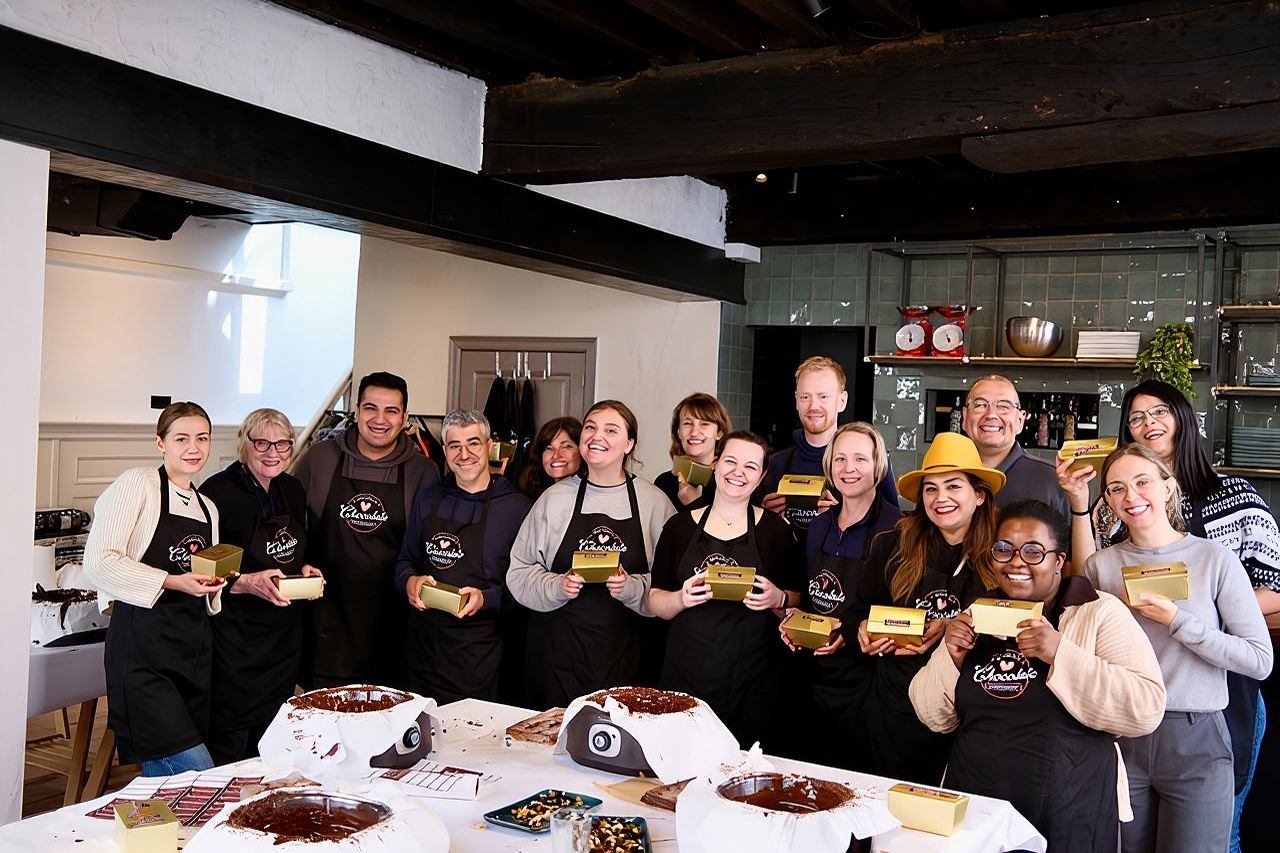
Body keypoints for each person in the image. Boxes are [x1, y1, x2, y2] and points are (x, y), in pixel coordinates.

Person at [1061, 379, 1280, 850]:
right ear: (1108, 500)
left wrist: (1181, 622)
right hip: (1122, 732)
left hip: (1199, 730)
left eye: (1143, 482)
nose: (1131, 495)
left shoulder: (1215, 558)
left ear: (1168, 486)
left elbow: (1259, 658)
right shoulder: (1102, 566)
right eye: (1117, 488)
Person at [910, 500, 1165, 850]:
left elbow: (1146, 708)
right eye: (1004, 549)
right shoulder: (977, 613)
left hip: (1071, 811)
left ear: (1059, 561)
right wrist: (951, 658)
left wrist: (1059, 652)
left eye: (1033, 552)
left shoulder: (1098, 612)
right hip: (977, 812)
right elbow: (932, 716)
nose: (1016, 561)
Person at [850, 432, 1003, 782]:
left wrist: (952, 626)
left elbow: (1016, 625)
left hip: (971, 712)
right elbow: (858, 610)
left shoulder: (1004, 552)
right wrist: (861, 629)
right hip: (896, 710)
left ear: (979, 494)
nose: (940, 498)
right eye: (930, 489)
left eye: (954, 486)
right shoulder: (891, 544)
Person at [84, 402, 225, 775]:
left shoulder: (208, 508)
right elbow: (98, 562)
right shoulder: (138, 484)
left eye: (202, 438)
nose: (193, 448)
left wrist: (214, 585)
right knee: (195, 769)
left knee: (171, 783)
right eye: (181, 439)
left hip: (192, 653)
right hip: (143, 652)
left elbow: (202, 581)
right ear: (160, 443)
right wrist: (172, 580)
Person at [508, 400, 674, 709]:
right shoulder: (554, 499)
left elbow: (672, 583)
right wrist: (557, 586)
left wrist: (632, 588)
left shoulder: (654, 503)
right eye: (590, 427)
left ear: (629, 443)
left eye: (611, 430)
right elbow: (519, 571)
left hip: (630, 657)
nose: (597, 436)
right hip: (558, 658)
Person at [648, 431, 801, 747]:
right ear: (715, 465)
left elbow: (797, 599)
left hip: (754, 683)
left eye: (750, 466)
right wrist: (680, 598)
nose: (738, 472)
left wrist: (778, 598)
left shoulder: (776, 532)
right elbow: (654, 601)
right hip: (687, 675)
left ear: (761, 477)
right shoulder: (679, 528)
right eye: (730, 461)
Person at [293, 371, 439, 688]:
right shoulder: (318, 460)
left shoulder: (423, 472)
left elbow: (427, 551)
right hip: (324, 627)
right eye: (371, 408)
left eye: (391, 411)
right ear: (356, 411)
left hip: (391, 629)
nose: (380, 419)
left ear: (405, 418)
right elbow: (289, 531)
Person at [200, 408, 322, 765]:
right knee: (231, 738)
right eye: (262, 443)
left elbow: (299, 548)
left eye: (282, 443)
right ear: (244, 444)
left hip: (282, 638)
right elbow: (201, 566)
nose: (273, 452)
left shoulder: (292, 489)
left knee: (271, 737)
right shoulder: (217, 493)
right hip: (235, 639)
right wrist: (244, 582)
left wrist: (306, 568)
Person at [778, 422, 901, 769]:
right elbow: (809, 595)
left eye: (860, 459)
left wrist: (847, 630)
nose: (849, 469)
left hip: (867, 683)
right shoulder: (819, 525)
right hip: (814, 678)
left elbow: (901, 613)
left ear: (878, 465)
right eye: (840, 459)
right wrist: (793, 620)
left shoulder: (898, 529)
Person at [395, 410, 531, 705]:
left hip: (481, 656)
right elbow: (404, 562)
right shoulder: (428, 499)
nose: (464, 454)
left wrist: (486, 598)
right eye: (455, 445)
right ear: (444, 450)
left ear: (489, 446)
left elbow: (527, 589)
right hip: (423, 650)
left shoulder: (517, 509)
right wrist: (410, 582)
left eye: (473, 443)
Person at [757, 357, 896, 535]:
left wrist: (845, 516)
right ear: (796, 401)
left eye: (823, 397)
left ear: (842, 401)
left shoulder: (871, 461)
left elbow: (893, 528)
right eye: (805, 397)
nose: (813, 406)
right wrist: (763, 514)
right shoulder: (778, 462)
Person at [961, 374, 1068, 518]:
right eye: (980, 405)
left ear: (1020, 420)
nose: (991, 414)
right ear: (965, 417)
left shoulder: (1052, 480)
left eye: (1004, 406)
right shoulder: (942, 475)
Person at [652, 392, 731, 512]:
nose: (694, 432)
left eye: (704, 424)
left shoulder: (731, 482)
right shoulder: (664, 482)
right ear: (678, 432)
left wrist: (694, 504)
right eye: (687, 423)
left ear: (719, 433)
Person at [516, 416, 582, 501]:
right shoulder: (530, 498)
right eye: (549, 448)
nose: (556, 455)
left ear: (582, 451)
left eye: (566, 447)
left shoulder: (591, 498)